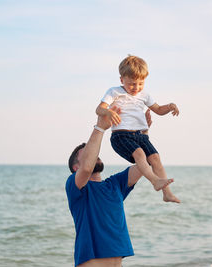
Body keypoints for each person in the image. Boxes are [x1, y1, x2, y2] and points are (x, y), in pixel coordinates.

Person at [65, 107, 144, 267]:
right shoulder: (75, 185)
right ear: (75, 168)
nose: (95, 154)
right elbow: (86, 168)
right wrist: (100, 127)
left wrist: (141, 135)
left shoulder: (115, 184)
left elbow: (144, 164)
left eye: (94, 152)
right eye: (88, 153)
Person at [96, 55, 180, 203]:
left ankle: (167, 194)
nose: (136, 87)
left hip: (141, 136)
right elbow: (99, 109)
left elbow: (158, 109)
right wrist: (108, 111)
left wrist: (170, 106)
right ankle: (155, 181)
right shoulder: (114, 91)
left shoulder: (144, 95)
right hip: (121, 136)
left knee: (155, 158)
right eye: (132, 84)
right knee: (140, 154)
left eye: (141, 83)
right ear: (122, 80)